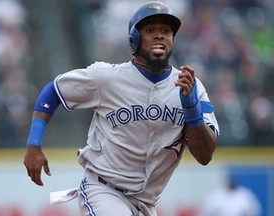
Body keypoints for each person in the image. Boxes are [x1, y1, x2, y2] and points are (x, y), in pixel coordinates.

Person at [24, 1, 219, 216]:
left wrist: (192, 110)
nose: (159, 35)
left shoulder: (191, 87)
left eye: (165, 31)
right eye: (150, 30)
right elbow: (53, 91)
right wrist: (34, 143)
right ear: (134, 39)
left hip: (147, 203)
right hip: (103, 189)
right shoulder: (107, 77)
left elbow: (205, 155)